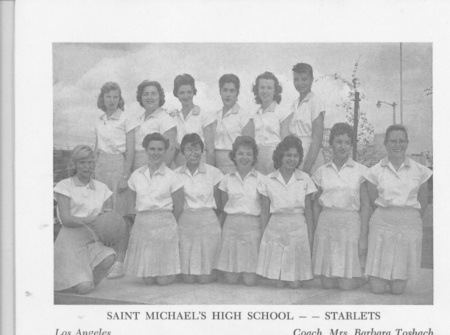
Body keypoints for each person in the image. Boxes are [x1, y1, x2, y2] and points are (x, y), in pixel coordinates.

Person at [364, 124, 432, 295]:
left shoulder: (421, 171)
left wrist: (408, 218)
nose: (397, 145)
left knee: (397, 290)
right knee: (377, 289)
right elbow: (373, 201)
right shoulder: (374, 171)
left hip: (407, 226)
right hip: (382, 225)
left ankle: (396, 277)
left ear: (407, 143)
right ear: (386, 143)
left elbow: (423, 201)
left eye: (401, 141)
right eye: (393, 141)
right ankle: (378, 277)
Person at [311, 123, 370, 290]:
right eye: (338, 141)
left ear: (351, 145)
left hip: (349, 224)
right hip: (326, 224)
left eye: (346, 142)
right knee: (327, 283)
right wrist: (316, 229)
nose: (342, 146)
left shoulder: (361, 171)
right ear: (331, 143)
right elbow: (316, 205)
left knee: (345, 285)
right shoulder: (321, 171)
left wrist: (364, 236)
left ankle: (363, 277)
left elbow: (365, 206)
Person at [54, 145, 116, 294]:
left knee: (110, 257)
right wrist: (93, 219)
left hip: (92, 238)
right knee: (83, 288)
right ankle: (78, 282)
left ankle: (84, 281)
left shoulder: (103, 188)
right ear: (74, 164)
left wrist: (108, 233)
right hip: (70, 241)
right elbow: (67, 219)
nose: (86, 167)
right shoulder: (64, 186)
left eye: (90, 162)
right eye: (82, 162)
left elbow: (108, 217)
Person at [256, 135, 317, 288]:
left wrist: (310, 234)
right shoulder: (269, 179)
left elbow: (308, 210)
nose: (292, 159)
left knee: (295, 284)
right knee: (278, 284)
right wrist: (264, 234)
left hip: (297, 228)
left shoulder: (305, 178)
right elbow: (264, 212)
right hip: (276, 228)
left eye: (296, 155)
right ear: (280, 156)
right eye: (288, 155)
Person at [124, 133, 184, 286]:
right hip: (143, 226)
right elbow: (132, 202)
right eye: (152, 149)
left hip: (165, 227)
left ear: (165, 151)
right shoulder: (136, 175)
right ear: (146, 150)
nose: (156, 153)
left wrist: (167, 224)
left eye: (160, 149)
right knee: (148, 281)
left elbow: (179, 206)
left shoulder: (173, 176)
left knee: (163, 281)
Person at [94, 82, 136, 279]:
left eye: (115, 96)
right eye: (108, 96)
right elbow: (96, 149)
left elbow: (130, 151)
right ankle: (104, 260)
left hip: (118, 166)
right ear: (102, 99)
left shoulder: (127, 119)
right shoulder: (99, 120)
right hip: (101, 167)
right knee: (102, 216)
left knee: (120, 217)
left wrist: (125, 177)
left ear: (120, 99)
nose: (111, 100)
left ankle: (120, 261)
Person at [175, 133, 223, 284]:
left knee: (205, 279)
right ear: (183, 152)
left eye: (197, 149)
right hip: (186, 223)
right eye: (188, 149)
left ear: (202, 151)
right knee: (188, 279)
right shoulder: (175, 174)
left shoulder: (214, 173)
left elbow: (219, 203)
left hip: (207, 223)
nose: (193, 153)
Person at [217, 136, 264, 286]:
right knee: (231, 280)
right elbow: (224, 207)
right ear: (234, 156)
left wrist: (263, 231)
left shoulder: (262, 179)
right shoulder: (226, 179)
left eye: (249, 154)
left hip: (252, 229)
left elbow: (264, 208)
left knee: (250, 281)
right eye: (241, 153)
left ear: (254, 157)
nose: (245, 157)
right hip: (232, 228)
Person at [285, 63, 325, 175]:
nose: (300, 83)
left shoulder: (315, 102)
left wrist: (306, 169)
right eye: (296, 79)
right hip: (295, 156)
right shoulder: (294, 104)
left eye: (304, 79)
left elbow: (317, 138)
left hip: (311, 157)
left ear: (312, 79)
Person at [250, 72, 291, 175]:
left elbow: (286, 142)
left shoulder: (283, 112)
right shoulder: (254, 114)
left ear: (275, 91)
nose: (265, 91)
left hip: (274, 160)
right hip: (256, 160)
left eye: (269, 88)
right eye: (262, 87)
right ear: (257, 90)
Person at [214, 74, 254, 174]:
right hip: (217, 166)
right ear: (220, 91)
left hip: (236, 166)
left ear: (237, 93)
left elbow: (248, 148)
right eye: (225, 90)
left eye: (232, 91)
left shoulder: (244, 116)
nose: (228, 94)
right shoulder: (215, 116)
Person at [172, 74, 215, 167]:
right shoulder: (173, 118)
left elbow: (210, 150)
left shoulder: (204, 116)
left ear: (193, 92)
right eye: (181, 93)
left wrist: (209, 175)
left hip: (201, 167)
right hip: (180, 167)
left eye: (189, 92)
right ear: (176, 94)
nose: (186, 96)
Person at [133, 80, 177, 170]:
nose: (149, 97)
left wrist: (160, 174)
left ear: (160, 96)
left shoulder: (166, 119)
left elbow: (170, 149)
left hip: (155, 169)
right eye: (145, 94)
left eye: (153, 94)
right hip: (137, 169)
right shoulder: (138, 119)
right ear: (140, 97)